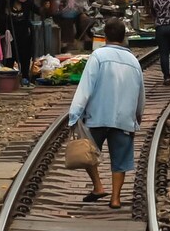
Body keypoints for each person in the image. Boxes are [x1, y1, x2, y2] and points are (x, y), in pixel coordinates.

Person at [66, 19, 144, 209]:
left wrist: (74, 114)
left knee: (87, 152)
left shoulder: (98, 56)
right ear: (124, 36)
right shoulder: (134, 61)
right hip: (124, 118)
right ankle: (115, 199)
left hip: (97, 116)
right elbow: (140, 93)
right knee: (121, 159)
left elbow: (86, 86)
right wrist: (137, 117)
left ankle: (98, 186)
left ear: (105, 36)